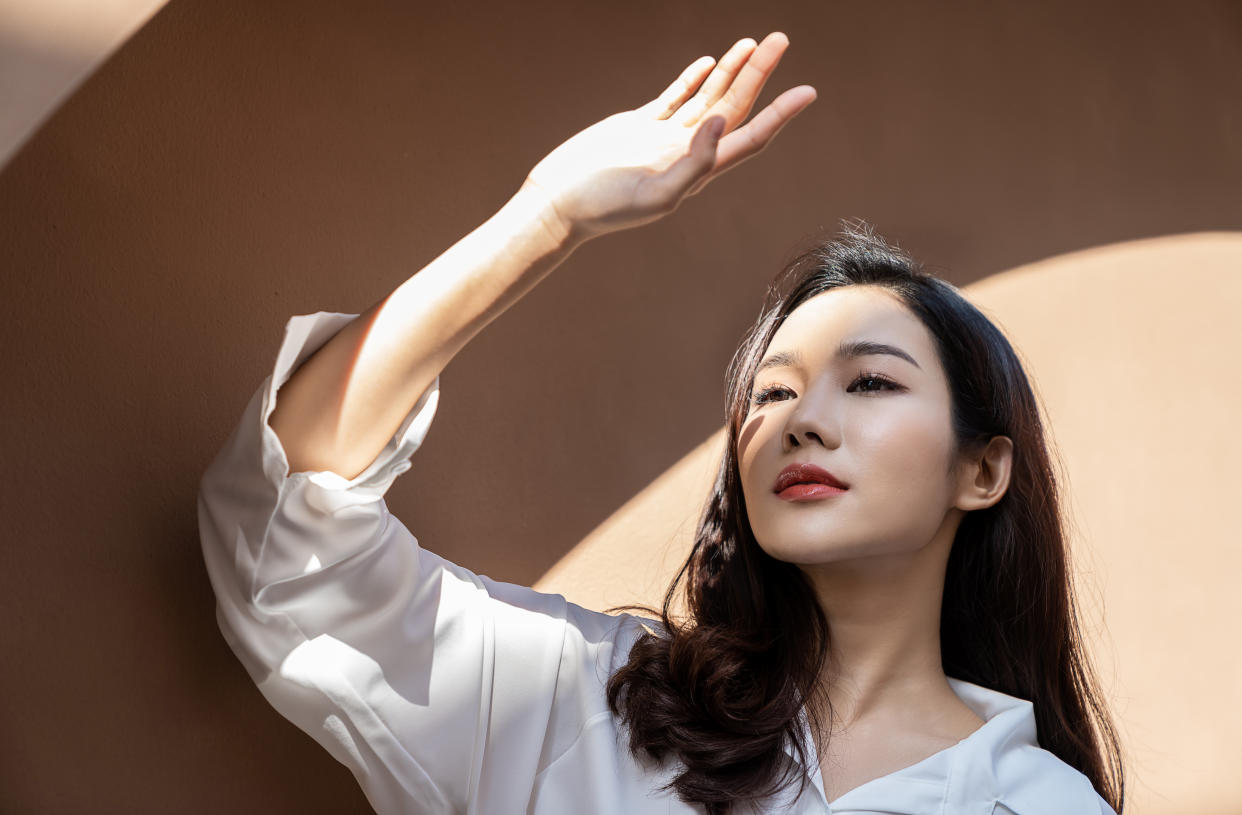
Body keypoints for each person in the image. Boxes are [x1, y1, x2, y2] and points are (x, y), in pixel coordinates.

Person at [197, 32, 1124, 814]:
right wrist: (545, 217)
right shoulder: (587, 703)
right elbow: (287, 544)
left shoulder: (1041, 801)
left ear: (983, 470)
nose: (802, 420)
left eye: (871, 384)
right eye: (770, 391)